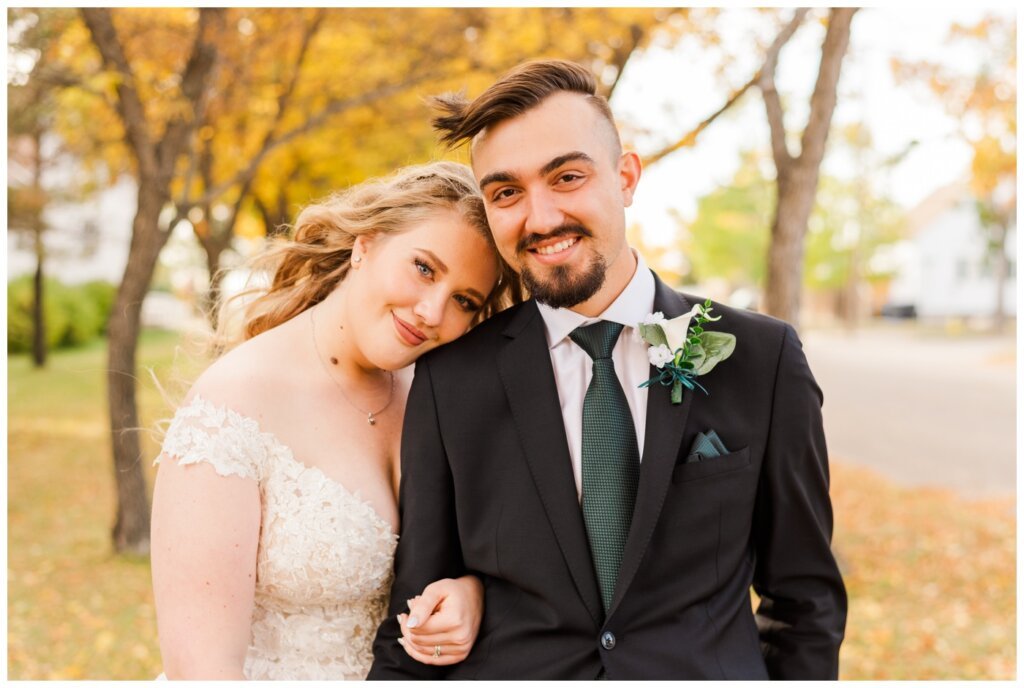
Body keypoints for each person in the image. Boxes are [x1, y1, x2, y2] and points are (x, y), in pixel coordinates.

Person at [370, 60, 847, 680]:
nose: (539, 219)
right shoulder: (451, 381)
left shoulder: (761, 358)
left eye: (566, 177)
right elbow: (415, 614)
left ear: (625, 177)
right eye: (506, 192)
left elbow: (805, 604)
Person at [150, 162, 520, 680]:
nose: (432, 311)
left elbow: (476, 555)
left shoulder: (437, 396)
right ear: (364, 246)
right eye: (423, 268)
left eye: (464, 300)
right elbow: (202, 672)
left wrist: (470, 594)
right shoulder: (233, 407)